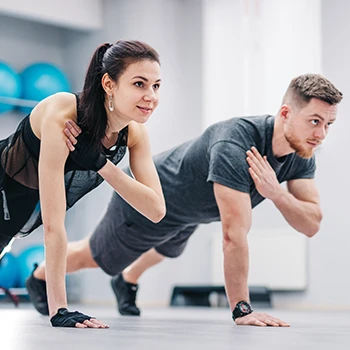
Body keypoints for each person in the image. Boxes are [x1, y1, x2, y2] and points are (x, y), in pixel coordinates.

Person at [30, 73, 342, 327]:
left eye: (328, 124)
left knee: (168, 249)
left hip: (192, 210)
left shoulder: (301, 150)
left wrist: (275, 193)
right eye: (315, 121)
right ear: (285, 113)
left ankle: (127, 281)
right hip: (150, 198)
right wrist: (242, 310)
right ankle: (39, 274)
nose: (321, 134)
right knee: (95, 257)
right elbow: (233, 235)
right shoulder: (235, 143)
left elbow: (311, 223)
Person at [0, 40, 166, 328]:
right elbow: (54, 224)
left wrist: (102, 164)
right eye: (139, 84)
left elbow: (155, 209)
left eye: (156, 86)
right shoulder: (64, 113)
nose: (150, 95)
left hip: (16, 208)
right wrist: (60, 311)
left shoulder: (134, 134)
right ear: (109, 84)